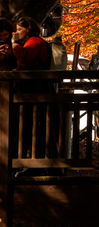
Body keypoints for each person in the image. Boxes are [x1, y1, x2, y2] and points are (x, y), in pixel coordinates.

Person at [12, 17, 55, 159]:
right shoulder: (34, 42)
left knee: (34, 124)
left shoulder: (34, 42)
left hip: (35, 89)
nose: (16, 32)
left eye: (19, 29)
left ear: (28, 29)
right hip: (35, 88)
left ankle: (34, 159)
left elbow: (25, 59)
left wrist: (14, 45)